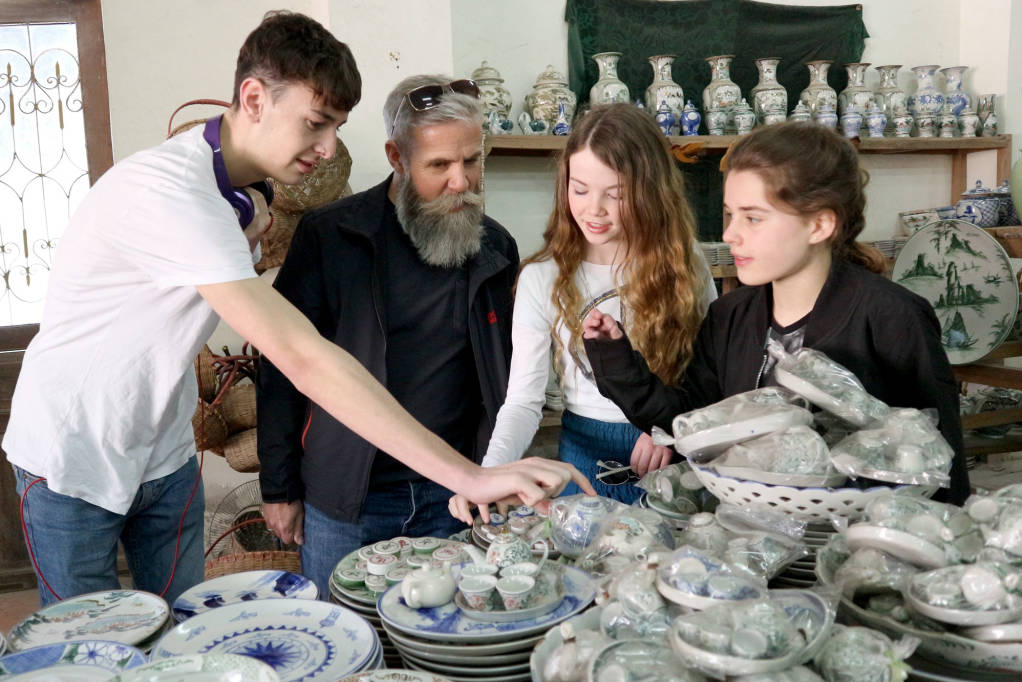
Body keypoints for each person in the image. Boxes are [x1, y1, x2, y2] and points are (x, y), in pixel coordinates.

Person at [4, 11, 588, 607]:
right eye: (315, 123)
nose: (329, 148)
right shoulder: (174, 193)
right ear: (254, 98)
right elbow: (302, 359)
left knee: (181, 631)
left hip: (164, 454)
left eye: (336, 126)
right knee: (87, 640)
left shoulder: (240, 196)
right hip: (73, 457)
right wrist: (469, 476)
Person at [582, 120, 969, 505]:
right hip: (747, 529)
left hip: (858, 534)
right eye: (730, 215)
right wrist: (617, 362)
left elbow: (940, 462)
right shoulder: (728, 317)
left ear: (819, 224)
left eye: (752, 218)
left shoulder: (892, 316)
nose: (731, 234)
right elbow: (689, 424)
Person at [257, 73, 522, 598]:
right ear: (396, 157)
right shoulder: (331, 237)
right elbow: (280, 367)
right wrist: (279, 487)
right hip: (347, 500)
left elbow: (504, 376)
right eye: (439, 165)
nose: (461, 182)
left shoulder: (495, 247)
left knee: (446, 632)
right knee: (346, 635)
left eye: (472, 161)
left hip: (454, 493)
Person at [452, 103, 716, 519]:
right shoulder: (543, 276)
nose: (594, 209)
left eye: (616, 194)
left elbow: (713, 376)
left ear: (650, 191)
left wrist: (672, 429)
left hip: (673, 462)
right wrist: (488, 474)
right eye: (580, 190)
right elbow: (522, 402)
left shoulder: (686, 265)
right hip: (583, 461)